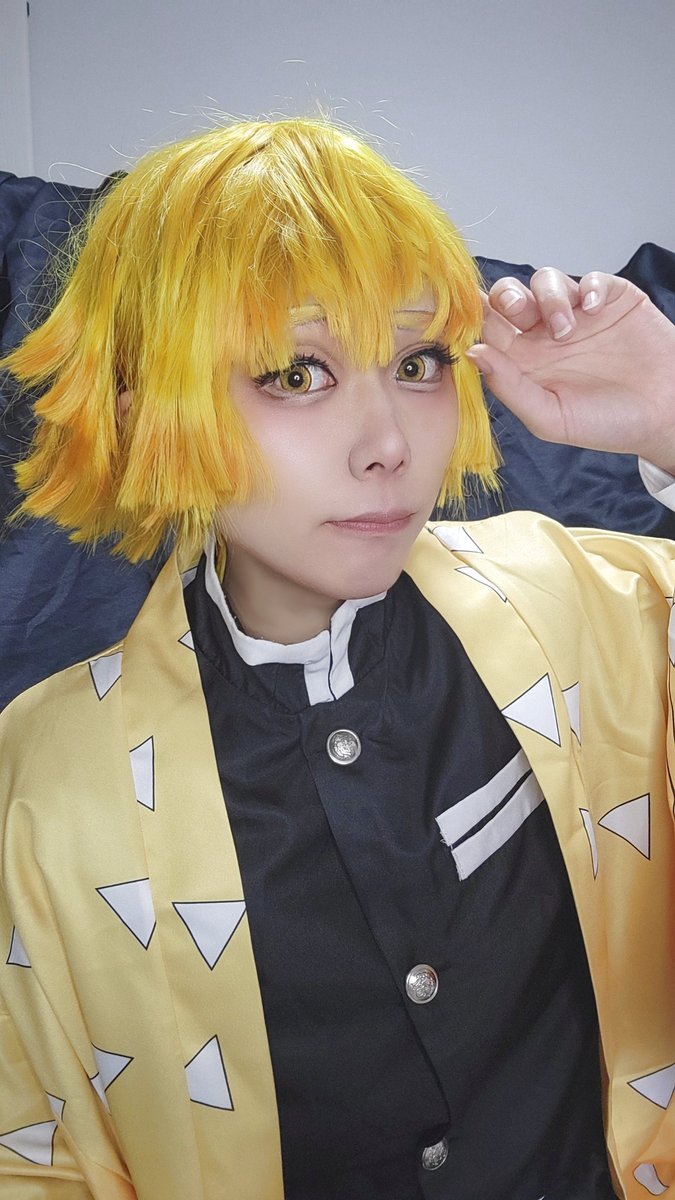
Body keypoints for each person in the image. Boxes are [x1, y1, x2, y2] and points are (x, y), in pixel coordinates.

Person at [0, 117, 673, 1200]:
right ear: (145, 409)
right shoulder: (44, 783)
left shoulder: (579, 600)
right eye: (295, 374)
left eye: (416, 363)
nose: (388, 444)